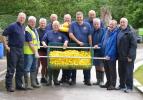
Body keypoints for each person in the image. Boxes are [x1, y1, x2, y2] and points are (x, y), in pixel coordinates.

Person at [2, 12, 26, 92]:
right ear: (18, 17)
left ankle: (19, 85)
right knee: (11, 68)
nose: (22, 18)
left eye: (23, 18)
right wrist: (6, 46)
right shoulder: (12, 26)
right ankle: (8, 86)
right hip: (13, 49)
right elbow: (3, 34)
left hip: (20, 50)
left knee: (20, 68)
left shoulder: (23, 27)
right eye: (21, 17)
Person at [42, 20, 69, 86]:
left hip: (59, 53)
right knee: (50, 67)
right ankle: (49, 80)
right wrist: (44, 44)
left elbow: (66, 39)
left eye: (57, 25)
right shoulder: (48, 33)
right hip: (50, 53)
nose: (56, 26)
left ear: (59, 26)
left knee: (57, 66)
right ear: (52, 26)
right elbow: (43, 40)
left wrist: (65, 43)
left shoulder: (62, 33)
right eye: (54, 25)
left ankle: (55, 80)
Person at [69, 11, 92, 86]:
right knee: (74, 62)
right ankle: (73, 79)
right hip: (74, 46)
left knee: (86, 63)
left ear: (83, 17)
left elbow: (89, 35)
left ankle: (87, 79)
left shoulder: (87, 25)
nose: (79, 19)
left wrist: (90, 46)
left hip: (85, 46)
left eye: (80, 17)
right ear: (76, 18)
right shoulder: (72, 24)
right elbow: (70, 34)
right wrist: (78, 42)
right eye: (77, 17)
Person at [117, 18, 137, 93]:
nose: (122, 23)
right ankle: (122, 85)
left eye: (124, 22)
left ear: (127, 23)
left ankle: (129, 87)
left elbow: (133, 46)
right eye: (121, 22)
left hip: (128, 56)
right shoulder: (119, 31)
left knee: (128, 72)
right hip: (121, 56)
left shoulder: (131, 32)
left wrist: (130, 56)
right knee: (121, 71)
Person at [24, 16, 40, 89]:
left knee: (34, 68)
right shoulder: (27, 30)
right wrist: (36, 52)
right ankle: (27, 85)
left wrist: (36, 52)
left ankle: (33, 83)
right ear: (28, 22)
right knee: (27, 68)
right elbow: (30, 43)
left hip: (34, 52)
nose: (33, 23)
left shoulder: (34, 30)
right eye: (31, 21)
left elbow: (36, 42)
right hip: (28, 53)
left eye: (34, 22)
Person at [101, 20, 118, 90]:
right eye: (110, 24)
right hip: (105, 55)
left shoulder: (116, 33)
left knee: (112, 70)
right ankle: (108, 82)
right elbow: (103, 42)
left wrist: (109, 55)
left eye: (112, 25)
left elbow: (114, 46)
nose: (111, 26)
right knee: (107, 70)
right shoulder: (107, 32)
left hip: (111, 56)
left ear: (115, 26)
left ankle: (113, 84)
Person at [91, 18, 105, 86]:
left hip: (101, 51)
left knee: (101, 66)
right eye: (95, 24)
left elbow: (104, 41)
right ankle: (98, 80)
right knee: (96, 66)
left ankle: (102, 81)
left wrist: (98, 45)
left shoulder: (103, 31)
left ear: (100, 24)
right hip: (94, 51)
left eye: (97, 24)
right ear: (93, 24)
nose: (96, 25)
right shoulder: (92, 31)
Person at [59, 14, 72, 84]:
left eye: (68, 19)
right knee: (63, 61)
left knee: (70, 61)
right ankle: (63, 77)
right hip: (63, 46)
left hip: (71, 45)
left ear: (70, 19)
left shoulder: (73, 26)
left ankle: (69, 78)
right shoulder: (61, 26)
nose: (67, 20)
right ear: (64, 19)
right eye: (66, 18)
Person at [36, 18, 48, 84]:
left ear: (46, 24)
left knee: (45, 65)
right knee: (36, 65)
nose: (43, 24)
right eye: (41, 23)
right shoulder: (36, 30)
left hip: (45, 51)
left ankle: (43, 77)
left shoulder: (47, 31)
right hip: (38, 50)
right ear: (39, 23)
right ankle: (35, 78)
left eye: (44, 23)